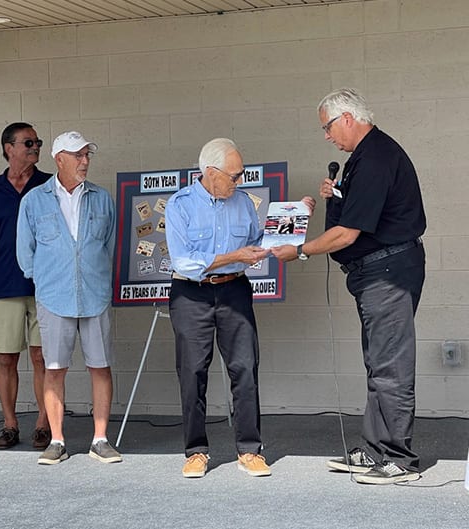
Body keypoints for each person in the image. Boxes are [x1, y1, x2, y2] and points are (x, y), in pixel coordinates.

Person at [272, 88, 426, 485]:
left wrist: (301, 251)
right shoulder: (362, 159)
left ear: (346, 118)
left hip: (388, 272)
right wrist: (335, 195)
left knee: (390, 366)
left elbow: (347, 234)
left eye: (327, 126)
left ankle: (398, 458)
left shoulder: (375, 156)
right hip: (377, 272)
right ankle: (375, 449)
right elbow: (359, 216)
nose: (327, 136)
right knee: (378, 363)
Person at [166, 137, 314, 479]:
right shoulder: (180, 205)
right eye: (234, 176)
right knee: (192, 372)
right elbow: (184, 261)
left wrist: (295, 217)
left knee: (245, 368)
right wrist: (234, 256)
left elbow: (261, 242)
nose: (239, 181)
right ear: (210, 172)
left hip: (234, 290)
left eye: (241, 175)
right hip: (191, 293)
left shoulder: (243, 202)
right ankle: (196, 451)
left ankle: (250, 450)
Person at [16, 131, 120, 465]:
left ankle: (100, 439)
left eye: (88, 155)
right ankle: (57, 440)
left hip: (95, 294)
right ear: (59, 158)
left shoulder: (102, 199)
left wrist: (96, 275)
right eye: (78, 155)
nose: (85, 161)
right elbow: (25, 254)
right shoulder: (34, 200)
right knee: (54, 369)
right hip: (54, 296)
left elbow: (110, 246)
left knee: (100, 366)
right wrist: (47, 279)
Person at [0, 122, 51, 450]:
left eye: (37, 142)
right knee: (6, 358)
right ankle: (9, 425)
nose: (35, 147)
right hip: (4, 282)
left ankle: (44, 423)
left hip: (45, 284)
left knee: (41, 357)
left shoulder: (49, 185)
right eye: (28, 142)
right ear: (9, 148)